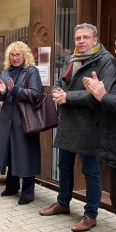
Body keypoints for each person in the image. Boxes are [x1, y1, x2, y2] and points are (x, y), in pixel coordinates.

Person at [39, 23, 114, 232]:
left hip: (91, 124)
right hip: (68, 121)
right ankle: (63, 203)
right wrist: (56, 90)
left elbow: (100, 94)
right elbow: (60, 81)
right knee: (64, 167)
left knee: (90, 172)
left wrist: (67, 96)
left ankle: (91, 215)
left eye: (85, 37)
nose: (81, 41)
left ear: (95, 40)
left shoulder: (106, 61)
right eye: (78, 37)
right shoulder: (70, 58)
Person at [0, 41, 42, 205]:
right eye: (12, 55)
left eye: (18, 55)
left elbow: (36, 94)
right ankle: (12, 186)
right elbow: (0, 95)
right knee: (10, 152)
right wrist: (1, 93)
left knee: (25, 154)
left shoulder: (31, 71)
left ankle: (28, 192)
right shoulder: (6, 71)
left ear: (25, 55)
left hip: (24, 119)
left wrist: (15, 90)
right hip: (8, 118)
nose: (15, 58)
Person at [84, 66, 116, 214]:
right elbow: (98, 104)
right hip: (111, 146)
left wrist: (103, 96)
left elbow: (105, 98)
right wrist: (92, 93)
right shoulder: (111, 69)